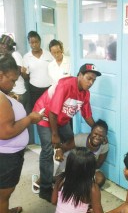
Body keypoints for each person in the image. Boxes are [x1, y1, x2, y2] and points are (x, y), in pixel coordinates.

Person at [33, 63, 101, 202]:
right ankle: (45, 188)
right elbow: (52, 113)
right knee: (48, 150)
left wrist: (98, 131)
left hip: (61, 120)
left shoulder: (85, 94)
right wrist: (55, 136)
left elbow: (87, 115)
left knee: (72, 145)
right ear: (80, 75)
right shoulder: (65, 86)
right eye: (88, 78)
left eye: (93, 80)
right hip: (45, 116)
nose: (91, 82)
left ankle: (66, 176)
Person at [0, 54, 43, 213]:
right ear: (0, 74)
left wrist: (11, 99)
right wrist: (30, 119)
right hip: (6, 155)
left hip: (7, 154)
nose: (13, 84)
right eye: (11, 80)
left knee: (3, 193)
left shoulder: (3, 95)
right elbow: (6, 132)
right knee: (3, 194)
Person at [55, 119, 108, 187]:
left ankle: (81, 188)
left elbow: (99, 164)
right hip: (72, 166)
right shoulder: (80, 138)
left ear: (105, 137)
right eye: (95, 134)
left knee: (100, 179)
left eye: (101, 136)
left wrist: (84, 171)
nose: (97, 137)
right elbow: (64, 148)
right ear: (91, 131)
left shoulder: (104, 145)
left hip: (88, 168)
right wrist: (59, 151)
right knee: (60, 182)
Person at [23, 31, 53, 109]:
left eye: (36, 42)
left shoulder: (48, 54)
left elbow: (54, 68)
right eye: (31, 43)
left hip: (49, 88)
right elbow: (25, 77)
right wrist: (23, 72)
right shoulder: (26, 57)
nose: (34, 45)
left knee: (49, 109)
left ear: (40, 41)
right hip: (34, 89)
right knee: (37, 110)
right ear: (29, 43)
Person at [0, 34, 28, 111]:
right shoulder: (6, 56)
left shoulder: (15, 54)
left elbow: (18, 72)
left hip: (18, 92)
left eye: (2, 45)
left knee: (18, 116)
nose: (0, 47)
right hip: (12, 91)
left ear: (6, 46)